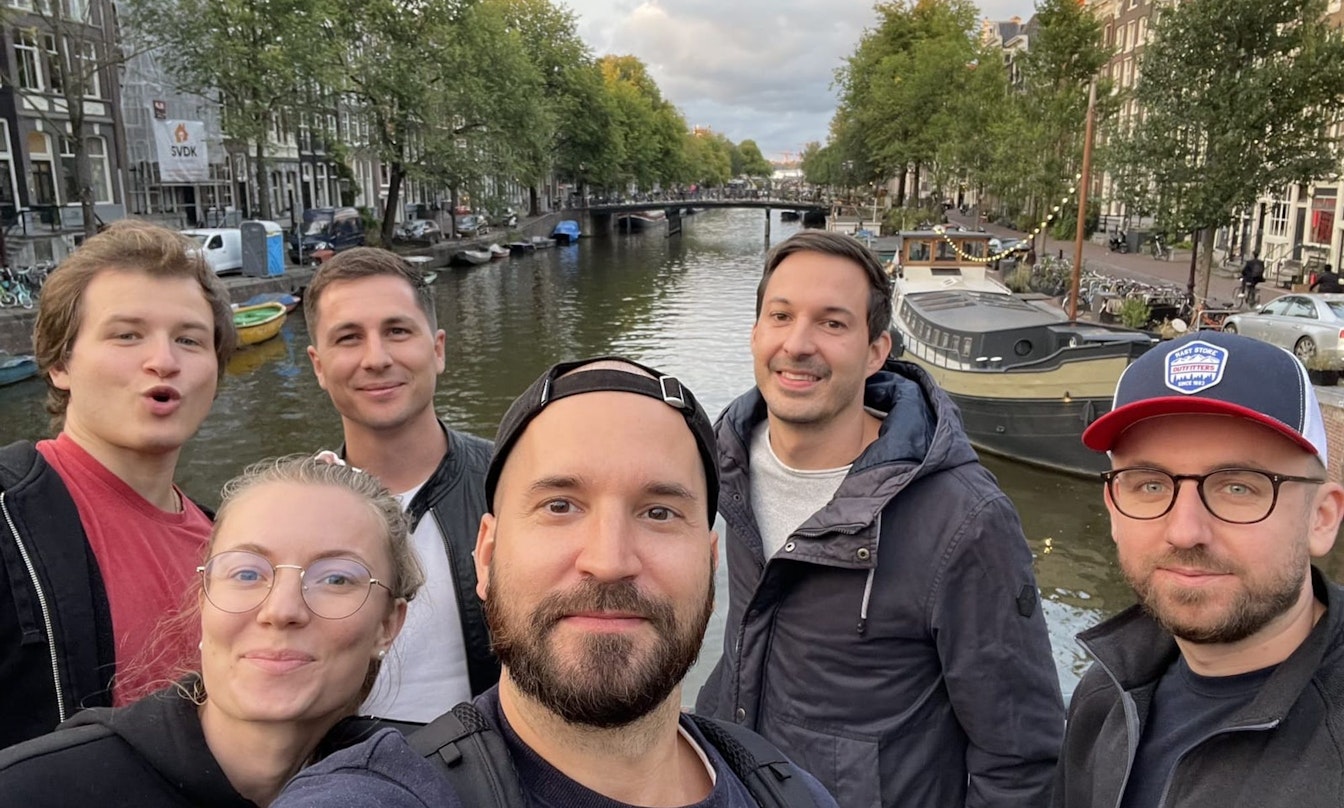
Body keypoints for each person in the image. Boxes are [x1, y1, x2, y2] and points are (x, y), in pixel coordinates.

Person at [273, 358, 838, 808]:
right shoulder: (380, 793)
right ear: (487, 556)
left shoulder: (792, 793)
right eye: (560, 505)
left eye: (659, 513)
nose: (609, 561)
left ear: (710, 566)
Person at [696, 230, 1065, 807]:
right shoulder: (719, 462)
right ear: (755, 333)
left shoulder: (964, 520)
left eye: (832, 323)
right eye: (781, 316)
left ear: (875, 351)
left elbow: (1021, 758)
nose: (798, 343)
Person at [0, 455, 421, 806]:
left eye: (335, 579)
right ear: (204, 600)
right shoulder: (31, 791)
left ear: (388, 625)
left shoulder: (419, 787)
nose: (281, 610)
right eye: (247, 573)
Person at [1056, 331, 1344, 807]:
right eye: (1150, 485)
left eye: (1239, 487)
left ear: (1322, 518)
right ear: (1113, 508)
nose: (1185, 531)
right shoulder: (1105, 696)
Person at [0, 220, 236, 749]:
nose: (164, 361)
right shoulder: (7, 519)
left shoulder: (230, 544)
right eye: (127, 335)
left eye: (189, 340)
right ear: (60, 363)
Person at [304, 247, 497, 723]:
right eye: (349, 338)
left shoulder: (510, 485)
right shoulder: (289, 513)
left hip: (490, 758)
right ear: (319, 366)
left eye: (397, 331)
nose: (376, 358)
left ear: (438, 349)